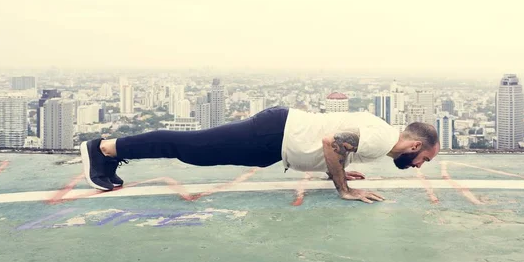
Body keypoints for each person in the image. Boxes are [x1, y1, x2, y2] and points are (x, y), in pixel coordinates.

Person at [80, 106, 439, 204]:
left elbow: (337, 146)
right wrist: (343, 188)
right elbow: (332, 142)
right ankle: (104, 149)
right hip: (273, 134)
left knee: (197, 152)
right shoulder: (382, 140)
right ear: (415, 146)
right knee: (192, 147)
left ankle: (111, 152)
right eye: (424, 159)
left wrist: (340, 171)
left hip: (275, 137)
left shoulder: (382, 136)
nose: (420, 165)